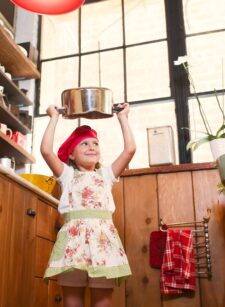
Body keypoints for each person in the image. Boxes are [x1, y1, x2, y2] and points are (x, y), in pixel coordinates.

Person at [41, 103, 136, 307]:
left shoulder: (106, 176)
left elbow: (130, 150)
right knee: (72, 303)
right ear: (72, 155)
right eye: (84, 144)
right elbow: (46, 151)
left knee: (103, 302)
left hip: (103, 244)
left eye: (95, 143)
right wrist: (53, 117)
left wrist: (123, 117)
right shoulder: (67, 176)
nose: (91, 147)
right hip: (73, 247)